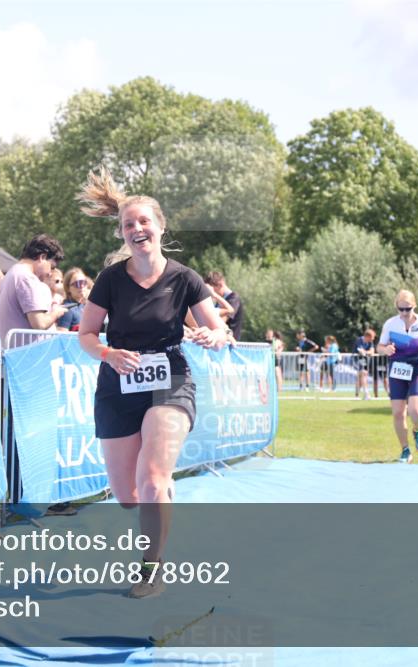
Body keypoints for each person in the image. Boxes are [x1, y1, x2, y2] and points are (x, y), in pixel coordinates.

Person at [75, 168, 228, 598]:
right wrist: (109, 354)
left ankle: (151, 567)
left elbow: (218, 330)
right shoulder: (110, 280)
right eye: (129, 224)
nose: (137, 229)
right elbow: (86, 335)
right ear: (122, 234)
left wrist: (211, 335)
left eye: (144, 221)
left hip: (170, 380)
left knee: (153, 480)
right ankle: (159, 498)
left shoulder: (185, 278)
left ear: (160, 227)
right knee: (128, 496)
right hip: (118, 384)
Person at [376, 289, 418, 463]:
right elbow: (379, 346)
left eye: (408, 309)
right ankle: (405, 450)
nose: (404, 313)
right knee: (398, 413)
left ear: (415, 306)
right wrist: (385, 349)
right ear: (396, 307)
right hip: (398, 369)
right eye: (401, 309)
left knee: (415, 410)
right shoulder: (390, 324)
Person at [0, 234, 68, 346]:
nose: (50, 273)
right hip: (24, 353)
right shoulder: (27, 278)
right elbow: (40, 323)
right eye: (52, 267)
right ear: (42, 257)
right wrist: (56, 312)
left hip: (12, 352)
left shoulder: (12, 273)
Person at [204, 271, 244, 340]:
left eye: (212, 289)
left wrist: (214, 294)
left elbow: (221, 321)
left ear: (220, 284)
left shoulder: (234, 299)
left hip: (230, 342)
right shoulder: (220, 300)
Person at [57, 267, 92, 332]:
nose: (81, 286)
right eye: (77, 283)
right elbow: (61, 335)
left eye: (84, 282)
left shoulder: (84, 307)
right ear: (68, 288)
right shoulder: (66, 310)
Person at [353, 328, 376, 399]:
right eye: (372, 337)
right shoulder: (359, 340)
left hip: (365, 360)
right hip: (357, 360)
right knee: (363, 374)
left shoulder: (370, 342)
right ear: (367, 336)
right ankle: (366, 393)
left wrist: (366, 352)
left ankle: (356, 395)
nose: (373, 339)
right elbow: (361, 351)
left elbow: (372, 352)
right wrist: (367, 352)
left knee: (361, 377)